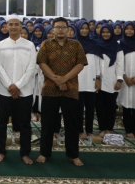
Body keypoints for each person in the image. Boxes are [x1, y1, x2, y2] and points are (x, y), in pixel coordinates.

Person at [36, 17, 87, 166]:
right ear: (52, 29)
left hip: (70, 89)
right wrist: (56, 80)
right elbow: (42, 63)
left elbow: (80, 64)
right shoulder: (46, 44)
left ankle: (73, 155)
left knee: (72, 124)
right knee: (47, 123)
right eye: (57, 27)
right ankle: (44, 153)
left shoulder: (76, 45)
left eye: (63, 27)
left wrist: (65, 79)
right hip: (50, 89)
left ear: (68, 30)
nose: (60, 30)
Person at [0, 14, 37, 164]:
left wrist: (18, 86)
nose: (13, 27)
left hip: (25, 91)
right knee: (1, 123)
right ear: (6, 26)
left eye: (16, 24)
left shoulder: (29, 45)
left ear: (21, 26)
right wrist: (10, 86)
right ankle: (1, 151)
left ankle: (25, 153)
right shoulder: (0, 45)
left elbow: (32, 68)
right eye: (10, 24)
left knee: (24, 123)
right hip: (4, 91)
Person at [73, 20, 102, 142]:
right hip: (77, 80)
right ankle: (80, 130)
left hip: (91, 79)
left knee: (90, 108)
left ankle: (89, 130)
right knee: (78, 108)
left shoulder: (94, 43)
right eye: (82, 28)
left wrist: (98, 78)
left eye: (86, 28)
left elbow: (98, 62)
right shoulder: (73, 44)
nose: (84, 30)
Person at [96, 23, 123, 136]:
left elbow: (120, 64)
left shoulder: (117, 46)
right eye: (103, 32)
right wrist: (97, 78)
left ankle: (109, 128)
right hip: (99, 81)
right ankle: (102, 128)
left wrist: (119, 80)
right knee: (100, 106)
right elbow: (96, 63)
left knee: (111, 106)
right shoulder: (97, 45)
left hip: (112, 80)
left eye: (107, 32)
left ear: (111, 33)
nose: (105, 34)